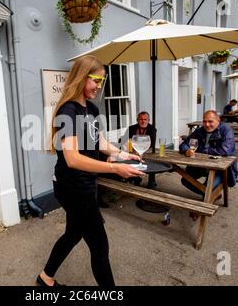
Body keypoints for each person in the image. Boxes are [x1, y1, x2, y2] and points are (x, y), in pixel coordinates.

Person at [38, 55, 145, 287]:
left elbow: (100, 143)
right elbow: (73, 159)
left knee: (73, 234)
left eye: (102, 81)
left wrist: (122, 154)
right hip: (72, 188)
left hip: (86, 184)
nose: (99, 86)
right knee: (99, 246)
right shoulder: (68, 110)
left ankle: (45, 277)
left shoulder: (93, 109)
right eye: (96, 79)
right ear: (81, 76)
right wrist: (114, 167)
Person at [179, 110, 238, 217]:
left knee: (208, 188)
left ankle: (201, 207)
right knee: (185, 180)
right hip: (201, 166)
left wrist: (200, 151)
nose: (207, 124)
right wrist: (186, 150)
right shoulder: (200, 130)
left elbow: (225, 151)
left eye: (210, 121)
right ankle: (212, 196)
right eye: (204, 121)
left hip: (221, 169)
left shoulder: (226, 130)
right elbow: (183, 144)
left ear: (218, 121)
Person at [119, 111, 157, 187]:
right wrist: (125, 145)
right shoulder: (131, 128)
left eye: (145, 119)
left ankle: (152, 180)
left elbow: (152, 144)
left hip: (146, 150)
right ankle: (134, 177)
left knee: (151, 160)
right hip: (132, 150)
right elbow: (123, 140)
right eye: (141, 119)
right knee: (128, 158)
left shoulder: (152, 129)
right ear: (137, 120)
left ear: (148, 120)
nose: (143, 121)